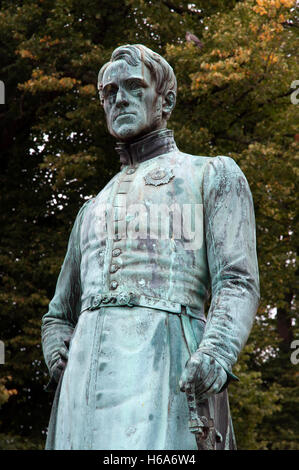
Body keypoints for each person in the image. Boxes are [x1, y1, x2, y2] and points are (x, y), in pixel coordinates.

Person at [41, 44, 260, 450]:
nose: (118, 98)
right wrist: (54, 341)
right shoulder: (92, 207)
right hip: (83, 387)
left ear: (167, 100)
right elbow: (58, 312)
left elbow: (238, 280)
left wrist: (218, 350)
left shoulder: (210, 174)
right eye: (109, 92)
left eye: (133, 86)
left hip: (166, 368)